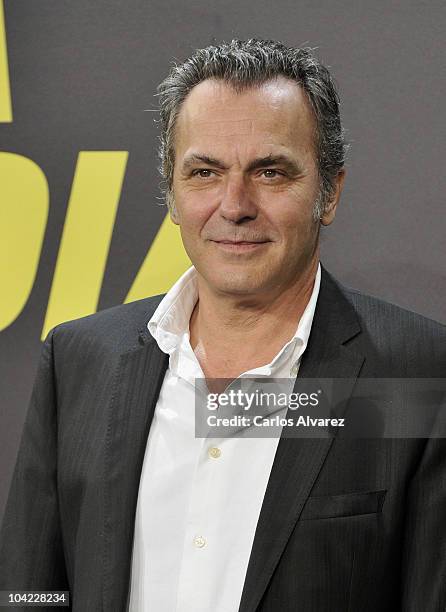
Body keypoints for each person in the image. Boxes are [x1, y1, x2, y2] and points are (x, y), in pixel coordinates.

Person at [1, 39, 445, 612]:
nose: (234, 204)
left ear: (329, 191)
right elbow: (31, 592)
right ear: (171, 193)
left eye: (270, 172)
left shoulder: (417, 375)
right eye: (205, 171)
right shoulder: (79, 359)